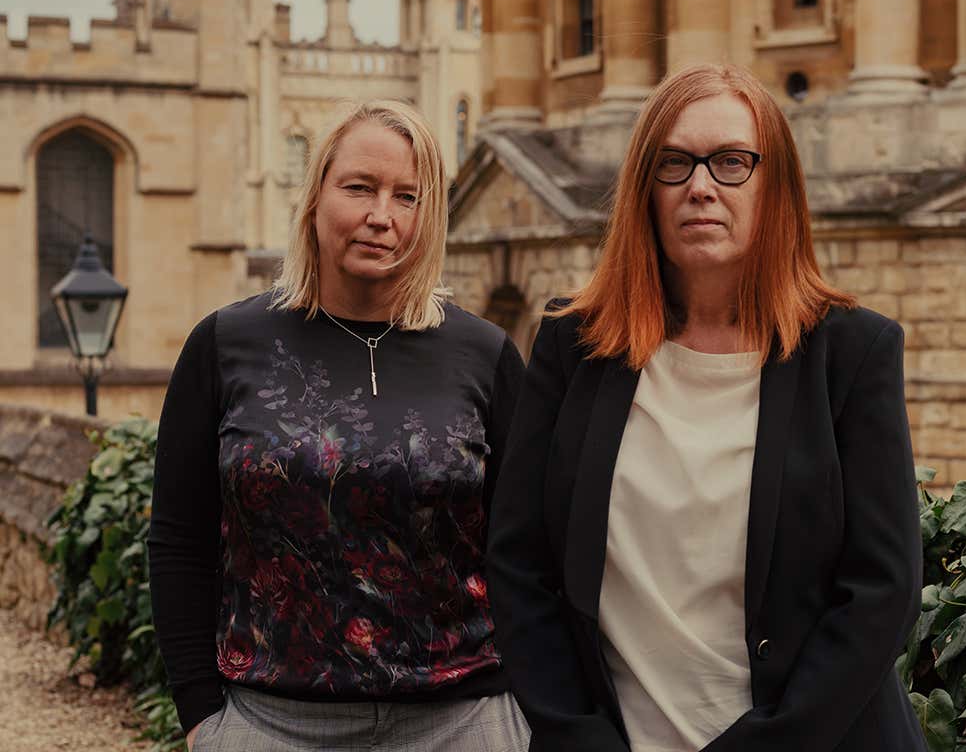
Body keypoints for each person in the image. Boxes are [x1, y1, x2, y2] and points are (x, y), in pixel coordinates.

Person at [486, 64, 925, 752]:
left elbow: (881, 591)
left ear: (774, 186)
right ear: (645, 190)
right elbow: (521, 568)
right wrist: (579, 738)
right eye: (675, 164)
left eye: (730, 163)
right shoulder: (574, 345)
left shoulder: (853, 352)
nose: (700, 187)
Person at [149, 100, 528, 752]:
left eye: (407, 196)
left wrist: (525, 713)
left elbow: (529, 550)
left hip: (460, 723)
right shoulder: (226, 345)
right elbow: (180, 540)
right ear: (316, 193)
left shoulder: (484, 356)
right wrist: (202, 717)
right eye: (359, 188)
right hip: (272, 724)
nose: (382, 215)